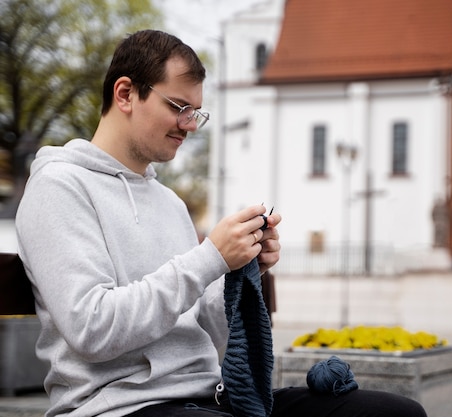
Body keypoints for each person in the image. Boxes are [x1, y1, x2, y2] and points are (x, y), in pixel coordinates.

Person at [15, 30, 427, 417]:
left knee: (396, 412)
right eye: (179, 107)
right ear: (125, 94)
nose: (190, 125)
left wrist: (240, 267)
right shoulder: (59, 187)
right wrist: (210, 258)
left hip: (209, 397)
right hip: (118, 406)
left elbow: (208, 331)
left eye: (196, 112)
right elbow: (92, 329)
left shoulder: (169, 202)